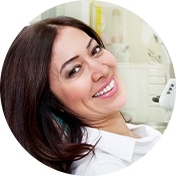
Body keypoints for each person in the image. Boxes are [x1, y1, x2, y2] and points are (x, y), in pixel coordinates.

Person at [0, 16, 162, 175]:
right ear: (52, 103)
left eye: (95, 50)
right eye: (74, 70)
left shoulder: (137, 135)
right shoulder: (102, 168)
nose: (102, 70)